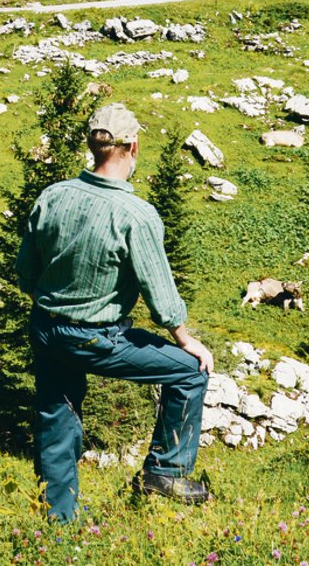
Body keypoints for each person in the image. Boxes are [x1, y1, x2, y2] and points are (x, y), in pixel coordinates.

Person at [16, 102, 213, 520]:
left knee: (57, 414)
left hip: (45, 328)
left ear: (93, 146)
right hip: (96, 338)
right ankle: (165, 471)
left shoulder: (53, 196)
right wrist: (185, 339)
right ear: (133, 146)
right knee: (189, 372)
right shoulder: (135, 215)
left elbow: (25, 273)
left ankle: (58, 521)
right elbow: (160, 292)